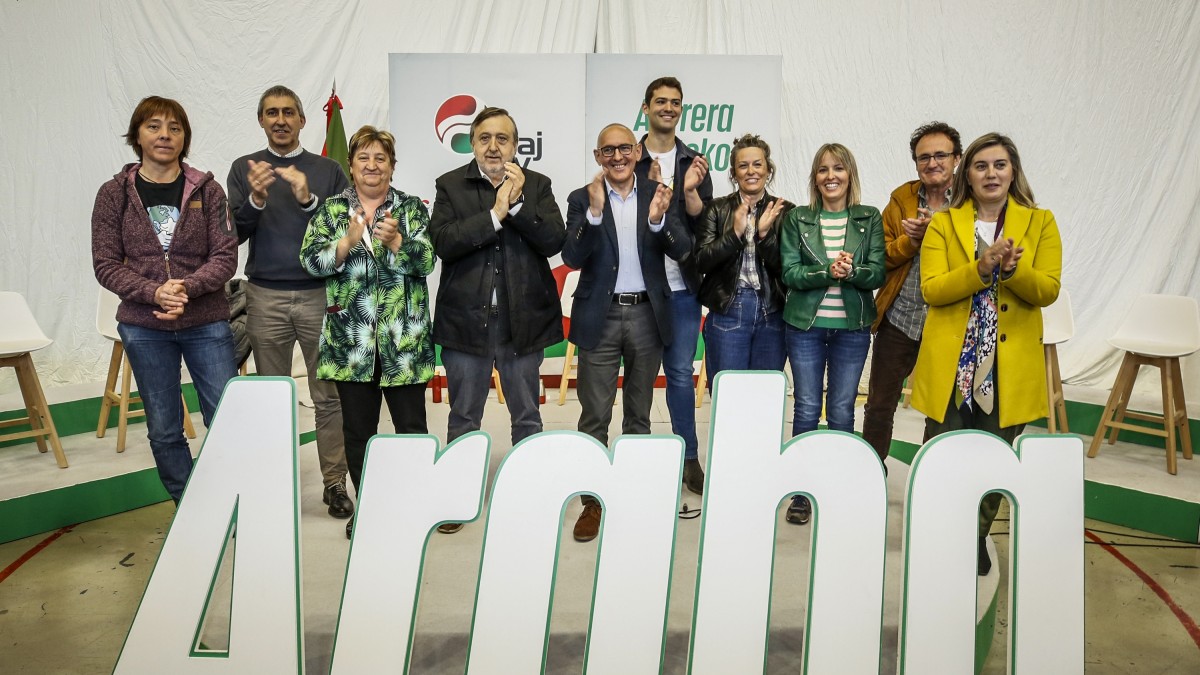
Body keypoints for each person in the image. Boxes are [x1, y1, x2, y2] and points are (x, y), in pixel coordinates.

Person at [910, 132, 1062, 575]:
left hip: (1008, 366)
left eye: (999, 164)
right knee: (941, 451)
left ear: (1013, 170)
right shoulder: (943, 223)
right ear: (967, 175)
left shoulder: (1041, 222)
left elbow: (1047, 290)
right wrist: (980, 268)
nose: (991, 173)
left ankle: (974, 535)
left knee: (995, 455)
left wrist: (1012, 269)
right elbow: (933, 290)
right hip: (953, 362)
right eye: (981, 166)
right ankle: (936, 532)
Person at [91, 95, 239, 504]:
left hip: (206, 322)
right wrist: (153, 291)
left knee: (226, 419)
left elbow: (225, 256)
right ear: (137, 135)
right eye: (154, 126)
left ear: (185, 138)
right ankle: (188, 505)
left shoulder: (209, 191)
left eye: (175, 128)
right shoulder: (113, 194)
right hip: (144, 326)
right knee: (164, 427)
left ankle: (230, 501)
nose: (165, 135)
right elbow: (105, 264)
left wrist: (185, 289)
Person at [429, 107, 566, 534]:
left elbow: (553, 241)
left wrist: (519, 203)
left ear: (515, 145)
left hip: (520, 323)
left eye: (502, 138)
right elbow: (444, 243)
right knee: (464, 415)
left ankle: (528, 491)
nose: (493, 146)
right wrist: (494, 215)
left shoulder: (537, 185)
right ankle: (458, 494)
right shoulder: (450, 184)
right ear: (473, 142)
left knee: (527, 414)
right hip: (465, 323)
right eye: (484, 137)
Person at [299, 126, 436, 540]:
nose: (372, 165)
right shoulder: (331, 212)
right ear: (352, 166)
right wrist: (344, 245)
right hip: (350, 344)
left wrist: (397, 243)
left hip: (403, 343)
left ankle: (411, 507)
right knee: (359, 434)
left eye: (381, 158)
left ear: (392, 167)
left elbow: (427, 261)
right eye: (364, 158)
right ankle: (372, 506)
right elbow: (310, 261)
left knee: (411, 431)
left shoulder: (411, 208)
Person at [228, 85, 354, 521]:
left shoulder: (328, 169)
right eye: (271, 113)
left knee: (328, 397)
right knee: (273, 397)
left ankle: (335, 484)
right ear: (261, 121)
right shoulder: (243, 168)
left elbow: (344, 231)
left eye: (288, 112)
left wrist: (307, 200)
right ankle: (275, 482)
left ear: (303, 120)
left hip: (321, 294)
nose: (280, 119)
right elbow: (233, 235)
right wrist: (256, 201)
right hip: (264, 295)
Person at [562, 123, 692, 542]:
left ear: (636, 153)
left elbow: (683, 248)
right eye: (607, 151)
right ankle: (593, 504)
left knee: (639, 414)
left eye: (624, 149)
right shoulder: (583, 198)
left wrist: (657, 222)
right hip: (599, 318)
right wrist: (596, 214)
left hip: (646, 317)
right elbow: (572, 254)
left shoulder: (658, 192)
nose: (617, 157)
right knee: (594, 415)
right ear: (598, 156)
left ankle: (634, 495)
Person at [780, 143, 885, 525]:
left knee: (842, 409)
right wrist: (827, 271)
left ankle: (838, 483)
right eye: (823, 170)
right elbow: (789, 272)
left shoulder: (869, 217)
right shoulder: (798, 218)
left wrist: (852, 271)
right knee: (807, 406)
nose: (830, 176)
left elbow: (877, 272)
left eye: (838, 168)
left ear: (850, 174)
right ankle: (802, 491)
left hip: (852, 330)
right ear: (815, 178)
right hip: (805, 327)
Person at [862, 122, 962, 469]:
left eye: (940, 155)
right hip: (900, 316)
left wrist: (941, 232)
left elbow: (976, 259)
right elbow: (882, 256)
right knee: (879, 403)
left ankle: (931, 476)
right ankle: (871, 469)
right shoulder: (901, 198)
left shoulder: (970, 202)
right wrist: (913, 241)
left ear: (957, 159)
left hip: (948, 321)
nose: (932, 163)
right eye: (924, 157)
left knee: (940, 408)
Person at [634, 76, 713, 495]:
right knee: (640, 374)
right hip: (639, 286)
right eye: (660, 101)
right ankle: (640, 454)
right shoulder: (628, 157)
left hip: (682, 287)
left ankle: (689, 458)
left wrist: (689, 195)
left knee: (681, 373)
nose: (668, 107)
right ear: (645, 108)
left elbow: (707, 227)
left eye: (676, 102)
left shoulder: (695, 162)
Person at [694, 134, 793, 380]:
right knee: (728, 393)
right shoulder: (716, 209)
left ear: (768, 170)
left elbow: (789, 269)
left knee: (765, 393)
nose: (751, 171)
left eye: (758, 164)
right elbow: (701, 261)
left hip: (773, 311)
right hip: (728, 310)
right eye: (743, 165)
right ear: (733, 173)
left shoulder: (786, 211)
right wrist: (734, 235)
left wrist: (763, 235)